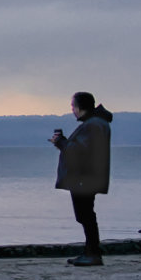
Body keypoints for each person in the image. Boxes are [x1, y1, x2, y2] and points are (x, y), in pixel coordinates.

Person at [49, 92, 112, 266]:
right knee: (86, 215)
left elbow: (78, 152)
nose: (72, 110)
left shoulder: (93, 125)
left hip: (84, 178)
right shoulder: (97, 124)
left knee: (85, 216)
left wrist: (61, 142)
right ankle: (90, 252)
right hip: (89, 177)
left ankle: (93, 254)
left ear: (79, 107)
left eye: (72, 107)